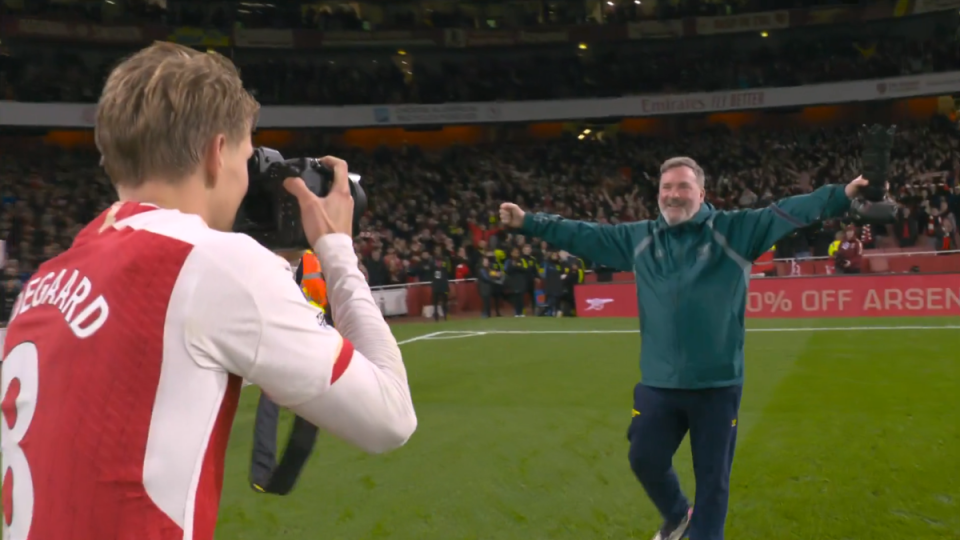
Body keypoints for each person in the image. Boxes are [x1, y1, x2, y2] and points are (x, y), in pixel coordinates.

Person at [0, 42, 417, 540]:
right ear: (217, 153)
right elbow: (390, 418)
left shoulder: (44, 281)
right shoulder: (211, 266)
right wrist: (337, 249)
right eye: (248, 156)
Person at [499, 156, 867, 540]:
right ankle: (677, 515)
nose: (673, 195)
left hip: (716, 384)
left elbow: (791, 210)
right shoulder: (638, 238)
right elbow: (584, 235)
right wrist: (528, 221)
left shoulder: (734, 230)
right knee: (644, 457)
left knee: (713, 483)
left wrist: (842, 194)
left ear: (702, 193)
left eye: (683, 187)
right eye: (667, 188)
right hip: (660, 382)